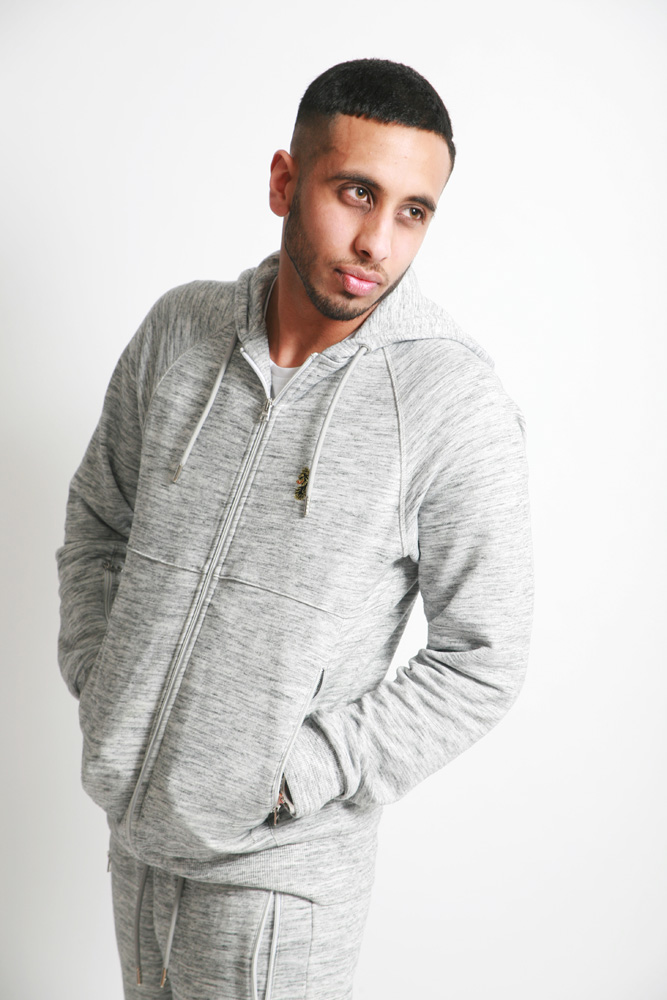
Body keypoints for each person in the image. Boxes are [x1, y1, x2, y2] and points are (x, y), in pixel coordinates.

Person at [57, 58, 533, 1000]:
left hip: (281, 881)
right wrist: (103, 677)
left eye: (412, 211)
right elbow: (100, 518)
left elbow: (485, 658)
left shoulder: (448, 401)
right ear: (284, 180)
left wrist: (298, 772)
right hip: (135, 845)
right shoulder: (178, 331)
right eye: (355, 192)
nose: (376, 242)